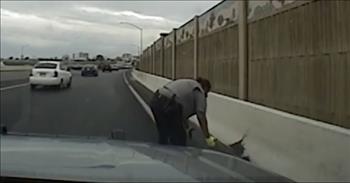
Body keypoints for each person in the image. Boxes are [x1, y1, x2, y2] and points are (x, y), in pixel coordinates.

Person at [150, 77, 217, 147]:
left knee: (164, 133)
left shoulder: (189, 84)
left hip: (156, 100)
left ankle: (161, 154)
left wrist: (187, 127)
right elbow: (200, 114)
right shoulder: (199, 90)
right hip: (170, 103)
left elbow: (180, 114)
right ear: (205, 88)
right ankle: (177, 155)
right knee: (179, 139)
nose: (206, 96)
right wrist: (207, 137)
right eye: (207, 92)